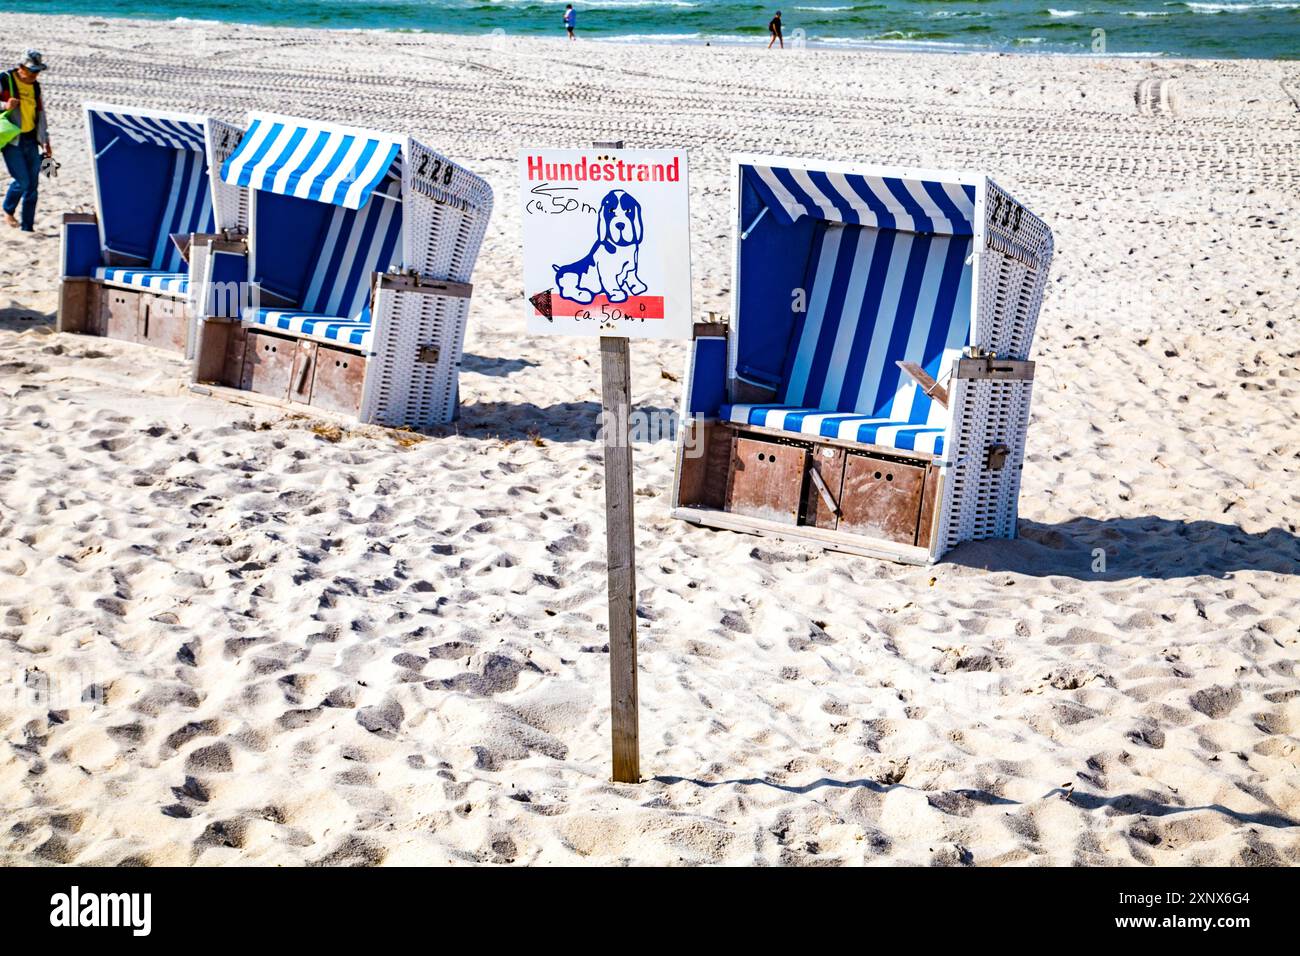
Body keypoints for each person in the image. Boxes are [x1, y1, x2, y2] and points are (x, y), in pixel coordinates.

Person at [2, 50, 52, 233]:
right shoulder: (5, 80)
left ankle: (27, 227)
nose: (34, 75)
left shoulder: (35, 86)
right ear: (20, 67)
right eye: (31, 71)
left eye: (37, 72)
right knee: (22, 181)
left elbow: (40, 114)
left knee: (32, 187)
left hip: (31, 139)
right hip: (11, 140)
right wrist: (4, 106)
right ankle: (8, 209)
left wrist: (45, 141)